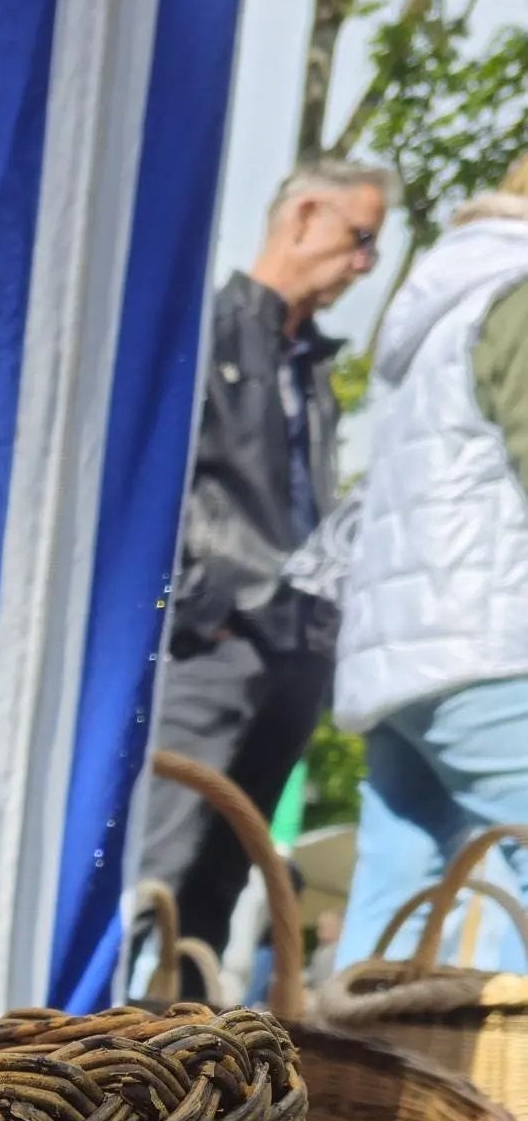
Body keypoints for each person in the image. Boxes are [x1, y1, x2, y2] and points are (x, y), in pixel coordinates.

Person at [138, 159, 392, 953]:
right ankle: (81, 1063)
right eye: (360, 239)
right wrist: (201, 608)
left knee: (222, 889)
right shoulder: (204, 331)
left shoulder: (314, 372)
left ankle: (189, 1068)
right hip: (213, 647)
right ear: (304, 215)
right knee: (156, 874)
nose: (363, 265)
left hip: (293, 658)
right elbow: (153, 481)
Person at [332, 154, 528, 975]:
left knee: (391, 925)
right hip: (489, 644)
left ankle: (338, 1102)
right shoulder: (514, 295)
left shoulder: (447, 298)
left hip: (404, 656)